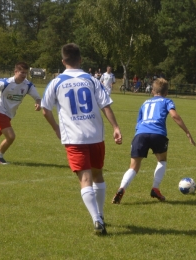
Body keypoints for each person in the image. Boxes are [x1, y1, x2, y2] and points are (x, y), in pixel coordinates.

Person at [41, 43, 122, 235]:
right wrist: (116, 127)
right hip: (95, 135)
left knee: (85, 179)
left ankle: (96, 219)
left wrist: (56, 129)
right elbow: (106, 106)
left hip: (73, 138)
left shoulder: (56, 82)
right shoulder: (92, 80)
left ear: (63, 61)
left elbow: (45, 110)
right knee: (97, 175)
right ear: (81, 60)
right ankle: (101, 215)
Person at [112, 78, 195, 204]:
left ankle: (122, 188)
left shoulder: (145, 103)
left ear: (152, 91)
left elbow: (138, 122)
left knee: (133, 167)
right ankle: (155, 188)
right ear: (166, 92)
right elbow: (174, 115)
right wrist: (187, 132)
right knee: (162, 160)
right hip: (158, 134)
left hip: (140, 134)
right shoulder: (167, 101)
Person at [0, 62, 41, 164]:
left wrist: (38, 103)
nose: (24, 75)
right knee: (11, 136)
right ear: (15, 72)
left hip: (8, 115)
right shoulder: (6, 82)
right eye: (22, 72)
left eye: (25, 73)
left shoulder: (28, 85)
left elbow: (37, 97)